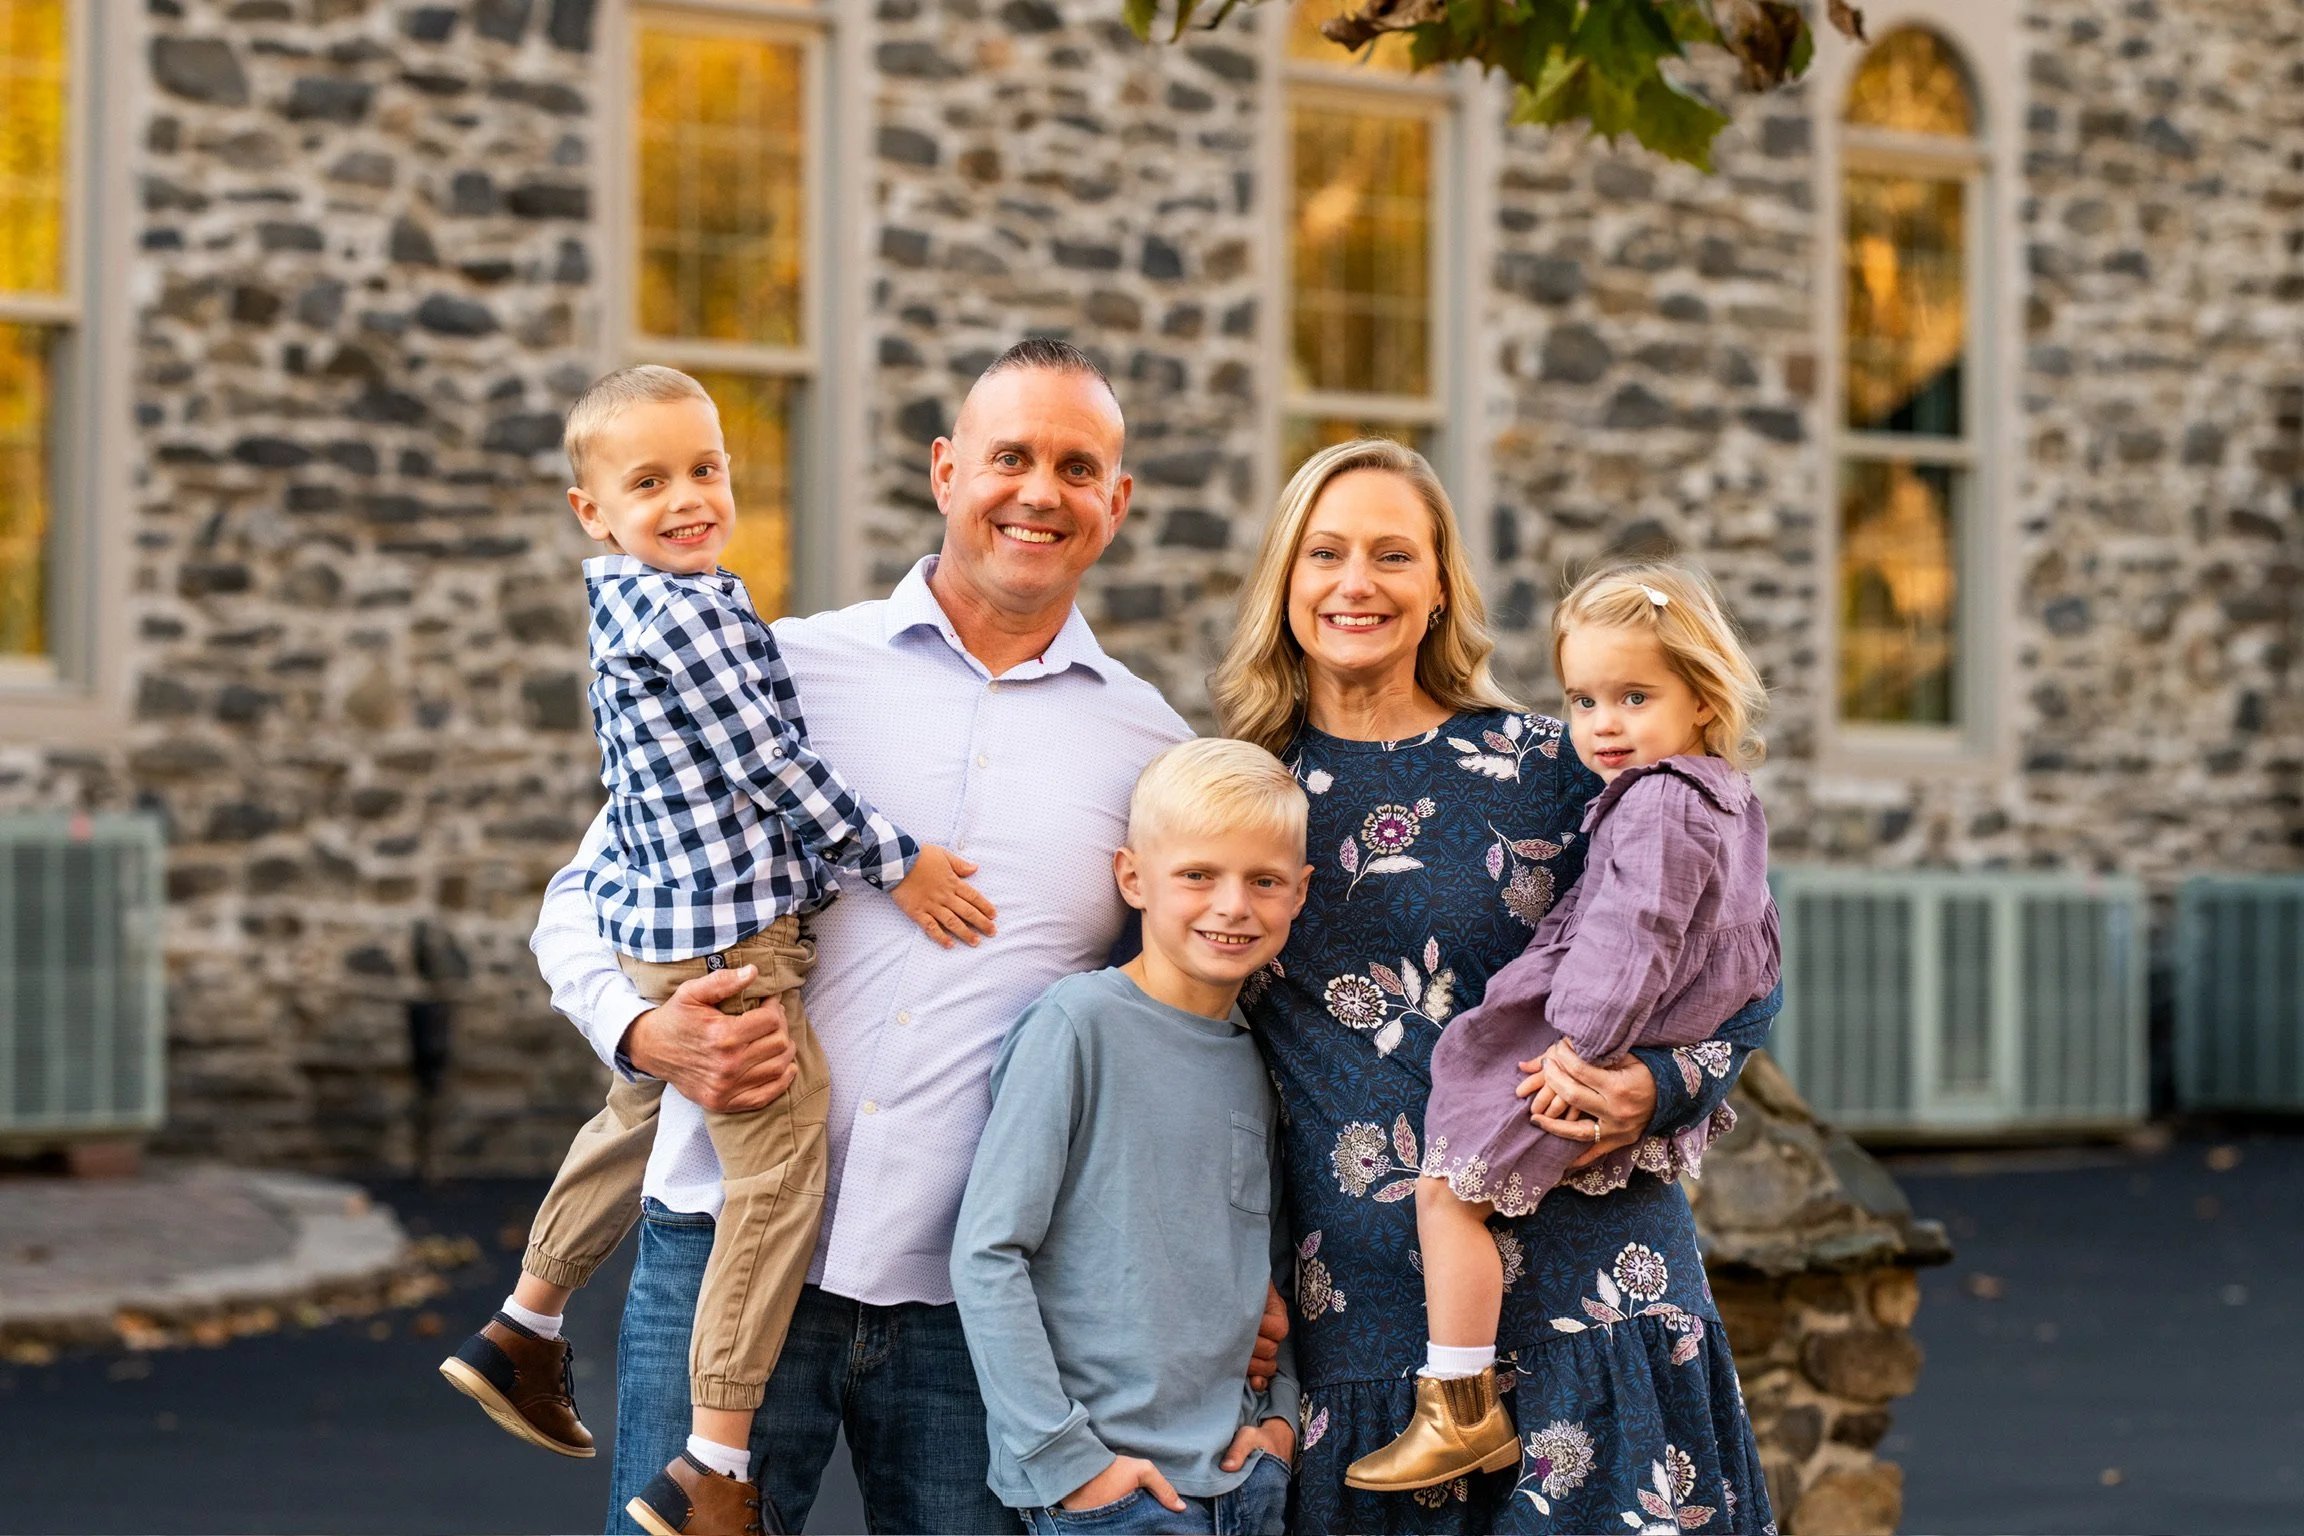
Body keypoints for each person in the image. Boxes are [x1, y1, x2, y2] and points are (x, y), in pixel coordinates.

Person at [530, 340, 1269, 1534]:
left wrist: (1236, 1267)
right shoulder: (785, 669)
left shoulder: (1152, 752)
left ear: (1116, 503)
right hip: (723, 1246)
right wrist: (641, 1032)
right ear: (945, 470)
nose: (1039, 492)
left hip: (975, 1306)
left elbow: (1174, 1031)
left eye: (1077, 468)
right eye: (1009, 457)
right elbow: (583, 892)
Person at [438, 366, 993, 1536]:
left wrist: (647, 1018)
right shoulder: (702, 617)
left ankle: (524, 1323)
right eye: (650, 481)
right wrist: (902, 862)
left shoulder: (639, 606)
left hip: (682, 933)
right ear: (592, 510)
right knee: (785, 1167)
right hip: (733, 939)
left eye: (707, 469)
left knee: (639, 1104)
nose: (690, 497)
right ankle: (712, 1465)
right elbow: (773, 772)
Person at [1210, 438, 1782, 1534]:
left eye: (1393, 554)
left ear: (1438, 589)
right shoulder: (1241, 798)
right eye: (1325, 552)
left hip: (1594, 1291)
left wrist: (1659, 1089)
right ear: (1286, 580)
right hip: (1371, 1321)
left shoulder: (1559, 761)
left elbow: (1742, 967)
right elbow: (1178, 1052)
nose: (1357, 582)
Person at [1346, 562, 1782, 1493]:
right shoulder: (1726, 801)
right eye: (1584, 699)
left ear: (1704, 699)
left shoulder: (1654, 801)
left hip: (1576, 1051)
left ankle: (1455, 1405)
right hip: (1619, 1047)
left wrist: (1583, 1044)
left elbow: (1637, 936)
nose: (1604, 724)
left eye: (1634, 696)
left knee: (1446, 1186)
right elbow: (1753, 952)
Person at [950, 738, 1309, 1536]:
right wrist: (1067, 1460)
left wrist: (1278, 1420)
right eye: (1197, 875)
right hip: (1109, 1490)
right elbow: (988, 1253)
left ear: (1300, 893)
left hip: (1241, 1484)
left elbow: (1271, 1264)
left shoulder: (1258, 1059)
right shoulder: (1077, 1026)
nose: (1232, 906)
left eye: (1263, 881)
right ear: (1132, 878)